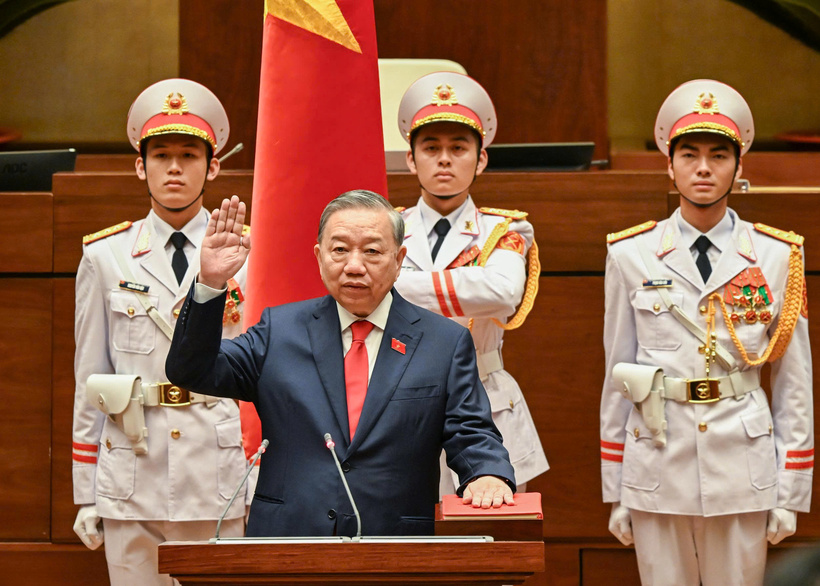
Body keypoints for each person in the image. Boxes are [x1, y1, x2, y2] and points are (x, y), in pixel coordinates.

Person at [165, 190, 517, 538]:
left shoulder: (443, 342)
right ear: (319, 257)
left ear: (399, 259)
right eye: (339, 250)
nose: (354, 266)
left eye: (372, 251)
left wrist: (486, 473)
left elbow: (471, 430)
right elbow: (192, 370)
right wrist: (210, 283)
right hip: (288, 541)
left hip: (395, 543)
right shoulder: (279, 331)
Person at [600, 79, 813, 585]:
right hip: (657, 459)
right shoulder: (630, 254)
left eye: (718, 156)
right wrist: (617, 488)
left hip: (742, 461)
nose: (703, 168)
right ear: (668, 165)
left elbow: (794, 383)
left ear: (739, 167)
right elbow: (617, 376)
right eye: (689, 155)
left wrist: (790, 489)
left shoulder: (777, 255)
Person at [71, 78, 250, 586]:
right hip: (133, 469)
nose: (175, 168)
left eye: (189, 155)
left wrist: (262, 475)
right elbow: (90, 378)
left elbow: (265, 373)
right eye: (162, 155)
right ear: (140, 166)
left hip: (217, 468)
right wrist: (86, 490)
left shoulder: (247, 252)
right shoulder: (105, 256)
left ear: (213, 167)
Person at [393, 72, 548, 495]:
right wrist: (469, 286)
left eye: (458, 148)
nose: (444, 159)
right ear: (411, 160)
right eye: (431, 148)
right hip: (400, 402)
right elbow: (365, 294)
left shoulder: (505, 229)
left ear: (480, 160)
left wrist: (400, 284)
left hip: (487, 401)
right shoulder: (386, 227)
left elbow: (502, 293)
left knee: (490, 526)